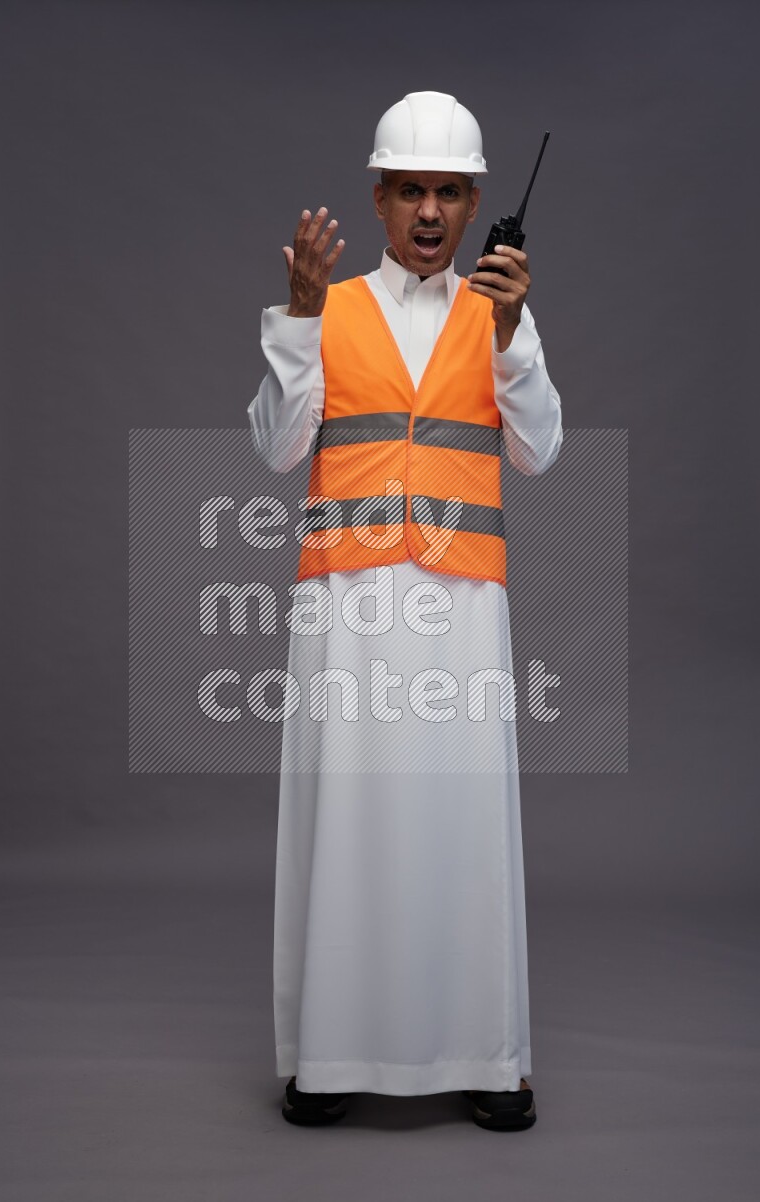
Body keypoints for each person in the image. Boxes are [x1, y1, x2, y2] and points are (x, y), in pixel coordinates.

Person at [248, 91, 563, 1131]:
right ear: (377, 197)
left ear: (475, 204)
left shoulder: (499, 311)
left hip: (461, 604)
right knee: (346, 817)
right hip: (344, 602)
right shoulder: (324, 305)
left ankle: (483, 1050)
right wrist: (294, 320)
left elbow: (538, 448)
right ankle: (332, 1053)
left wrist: (512, 340)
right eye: (408, 189)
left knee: (462, 821)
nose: (428, 210)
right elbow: (278, 447)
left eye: (447, 191)